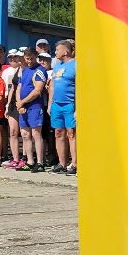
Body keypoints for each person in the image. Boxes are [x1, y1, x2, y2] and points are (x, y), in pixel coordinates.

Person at [13, 47, 48, 172]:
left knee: (36, 133)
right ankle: (29, 161)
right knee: (25, 134)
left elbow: (37, 90)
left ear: (35, 56)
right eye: (27, 59)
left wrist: (23, 102)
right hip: (23, 106)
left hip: (34, 106)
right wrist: (19, 103)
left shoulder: (40, 70)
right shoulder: (25, 70)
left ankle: (40, 162)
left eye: (31, 58)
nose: (29, 61)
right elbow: (19, 87)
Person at [48, 39, 77, 174]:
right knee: (58, 133)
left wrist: (78, 107)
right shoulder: (57, 66)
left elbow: (80, 87)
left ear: (65, 51)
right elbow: (52, 86)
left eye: (57, 50)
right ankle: (62, 163)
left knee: (71, 133)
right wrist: (50, 104)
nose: (55, 52)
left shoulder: (76, 65)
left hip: (70, 104)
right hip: (56, 105)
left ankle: (75, 163)